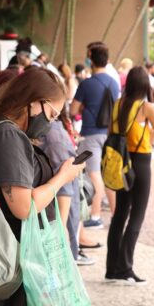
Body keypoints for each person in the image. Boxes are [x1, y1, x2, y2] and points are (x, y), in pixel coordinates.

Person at [0, 68, 85, 306]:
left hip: (4, 255)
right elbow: (24, 206)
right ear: (33, 101)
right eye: (51, 114)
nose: (50, 123)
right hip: (17, 257)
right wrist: (63, 177)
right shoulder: (8, 135)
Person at [105, 66, 154, 285]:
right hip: (140, 163)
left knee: (120, 214)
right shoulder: (146, 107)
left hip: (121, 161)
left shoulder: (118, 104)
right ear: (145, 85)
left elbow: (111, 132)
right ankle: (125, 267)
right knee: (137, 215)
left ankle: (111, 267)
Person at [71, 44, 120, 228]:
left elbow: (73, 109)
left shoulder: (87, 84)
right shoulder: (114, 84)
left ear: (90, 59)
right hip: (109, 134)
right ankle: (116, 215)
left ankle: (96, 215)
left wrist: (85, 108)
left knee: (93, 175)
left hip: (90, 134)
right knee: (107, 175)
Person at [40, 109, 94, 265]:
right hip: (54, 215)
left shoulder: (53, 133)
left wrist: (61, 227)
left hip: (55, 215)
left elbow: (64, 188)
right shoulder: (55, 133)